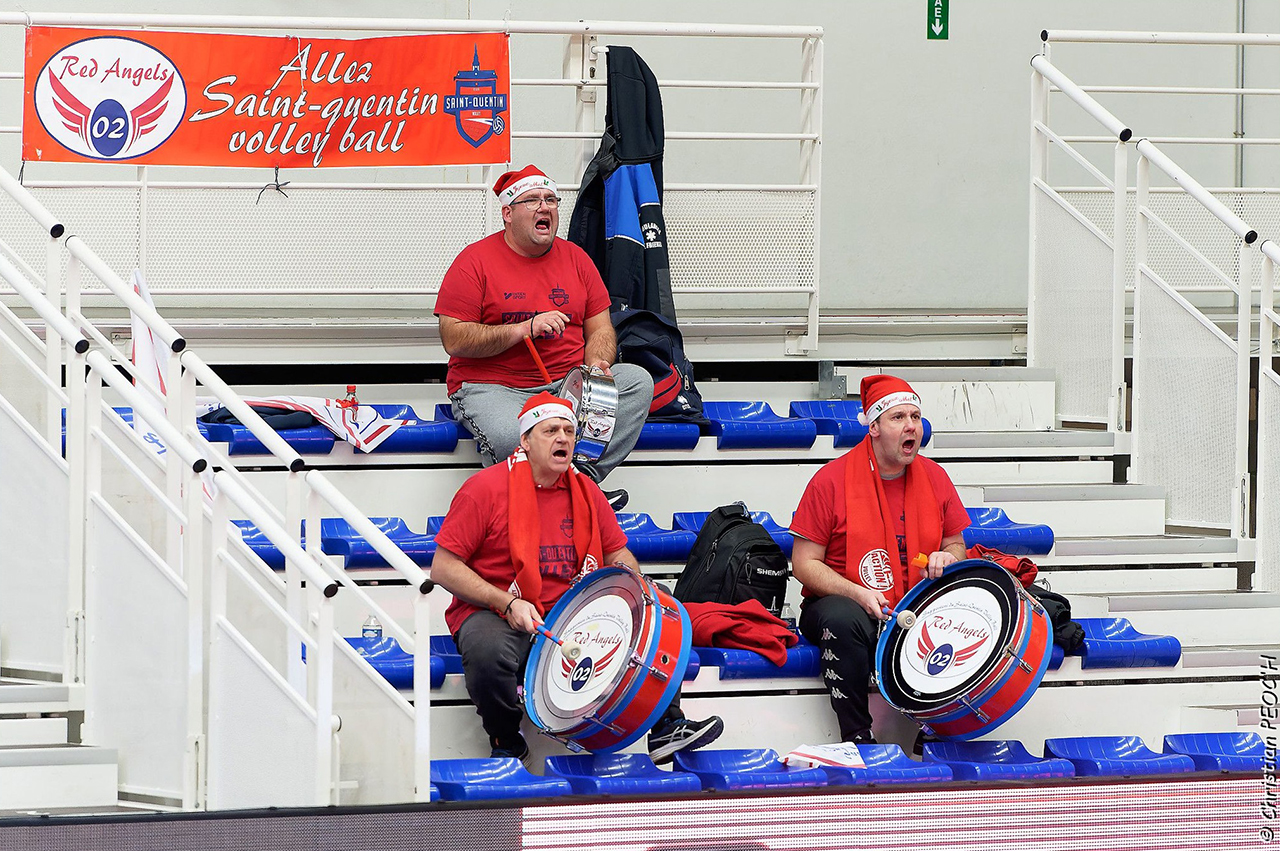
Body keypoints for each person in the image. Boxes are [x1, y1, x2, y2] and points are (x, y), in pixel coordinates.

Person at [432, 392, 722, 763]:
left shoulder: (586, 490)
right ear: (525, 441)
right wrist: (506, 602)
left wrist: (633, 582)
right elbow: (444, 567)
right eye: (551, 430)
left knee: (657, 600)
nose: (563, 439)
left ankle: (666, 725)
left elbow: (617, 553)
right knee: (486, 649)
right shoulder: (483, 489)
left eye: (569, 431)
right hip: (500, 611)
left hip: (572, 613)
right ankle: (506, 740)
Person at [435, 164, 654, 510]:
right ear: (508, 214)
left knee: (636, 382)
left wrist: (596, 366)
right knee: (515, 434)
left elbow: (600, 328)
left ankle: (581, 479)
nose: (545, 207)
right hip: (494, 387)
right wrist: (524, 329)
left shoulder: (577, 259)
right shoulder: (473, 262)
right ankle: (560, 496)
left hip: (565, 385)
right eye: (532, 200)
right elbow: (455, 339)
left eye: (551, 199)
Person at [789, 375, 970, 745]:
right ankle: (857, 735)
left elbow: (956, 546)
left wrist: (946, 556)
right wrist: (856, 592)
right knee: (842, 616)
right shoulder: (830, 481)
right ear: (873, 427)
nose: (911, 426)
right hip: (848, 605)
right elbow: (804, 564)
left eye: (915, 417)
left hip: (916, 602)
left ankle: (938, 726)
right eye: (898, 418)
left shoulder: (935, 477)